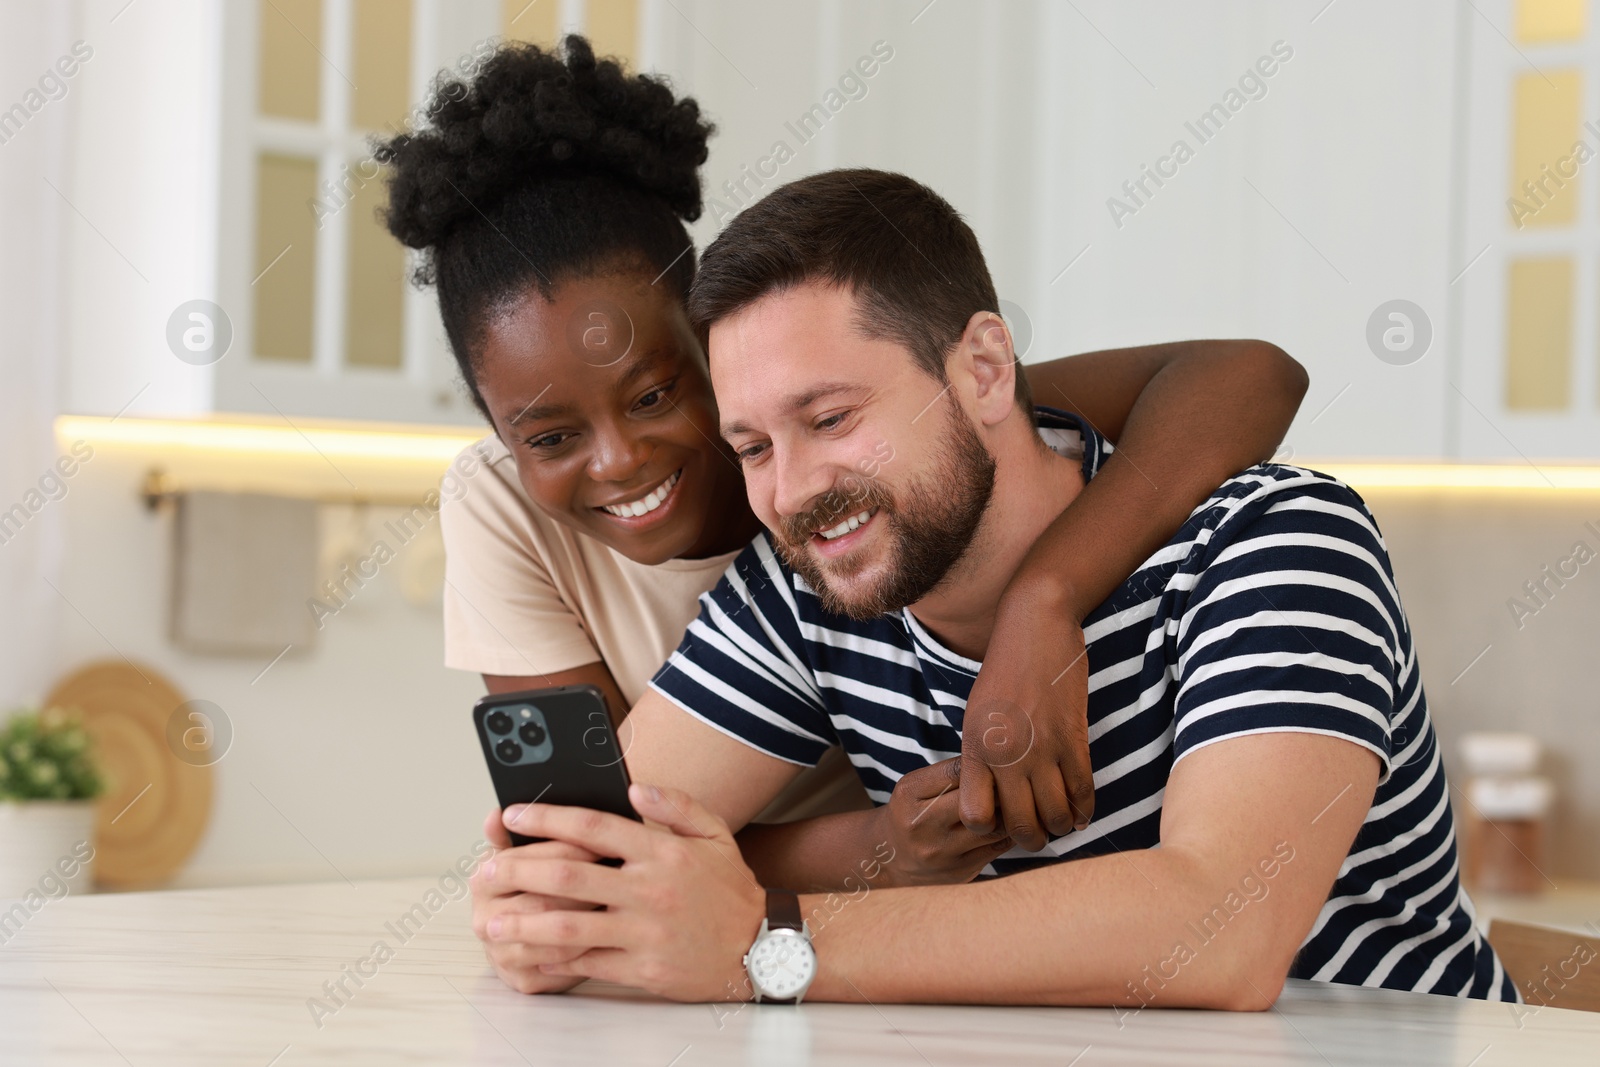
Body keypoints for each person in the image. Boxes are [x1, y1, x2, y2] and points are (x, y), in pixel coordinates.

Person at [472, 168, 1517, 1009]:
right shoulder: (808, 587)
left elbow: (1218, 929)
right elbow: (580, 873)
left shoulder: (1272, 541)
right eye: (752, 445)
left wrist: (762, 943)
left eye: (831, 418)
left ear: (981, 370)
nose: (790, 492)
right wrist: (567, 905)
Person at [377, 37, 1308, 843]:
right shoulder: (508, 509)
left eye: (658, 390)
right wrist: (877, 854)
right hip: (806, 895)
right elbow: (598, 840)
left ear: (713, 336)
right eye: (548, 435)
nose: (619, 458)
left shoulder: (892, 431)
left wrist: (1043, 598)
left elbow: (1250, 375)